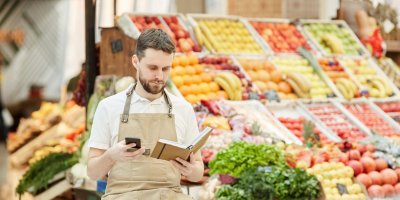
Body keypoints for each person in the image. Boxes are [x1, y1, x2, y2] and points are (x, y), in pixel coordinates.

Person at [87, 29, 204, 199]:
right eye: (152, 67)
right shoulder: (109, 107)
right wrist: (111, 156)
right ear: (136, 61)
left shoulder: (183, 109)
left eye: (165, 69)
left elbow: (198, 171)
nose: (159, 76)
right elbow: (92, 172)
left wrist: (191, 170)